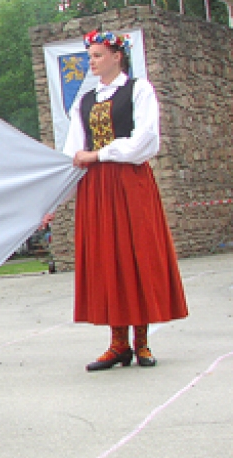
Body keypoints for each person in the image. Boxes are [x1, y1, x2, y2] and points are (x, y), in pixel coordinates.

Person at [55, 29, 188, 371]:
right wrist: (53, 203)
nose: (92, 62)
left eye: (98, 55)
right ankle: (117, 344)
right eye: (90, 57)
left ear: (117, 56)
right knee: (108, 258)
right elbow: (73, 155)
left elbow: (146, 141)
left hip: (130, 183)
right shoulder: (85, 101)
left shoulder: (139, 90)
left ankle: (141, 342)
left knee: (136, 254)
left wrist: (99, 154)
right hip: (97, 189)